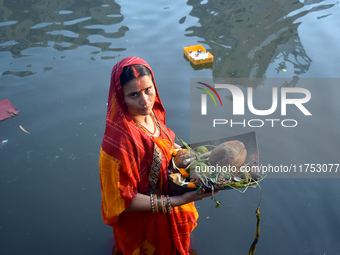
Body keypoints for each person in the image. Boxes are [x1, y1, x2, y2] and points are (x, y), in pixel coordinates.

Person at [99, 57, 217, 255]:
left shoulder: (152, 114)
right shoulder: (120, 142)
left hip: (168, 198)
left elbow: (165, 146)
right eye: (134, 94)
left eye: (148, 90)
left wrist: (199, 158)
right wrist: (179, 201)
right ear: (121, 98)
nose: (145, 101)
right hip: (143, 221)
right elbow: (123, 201)